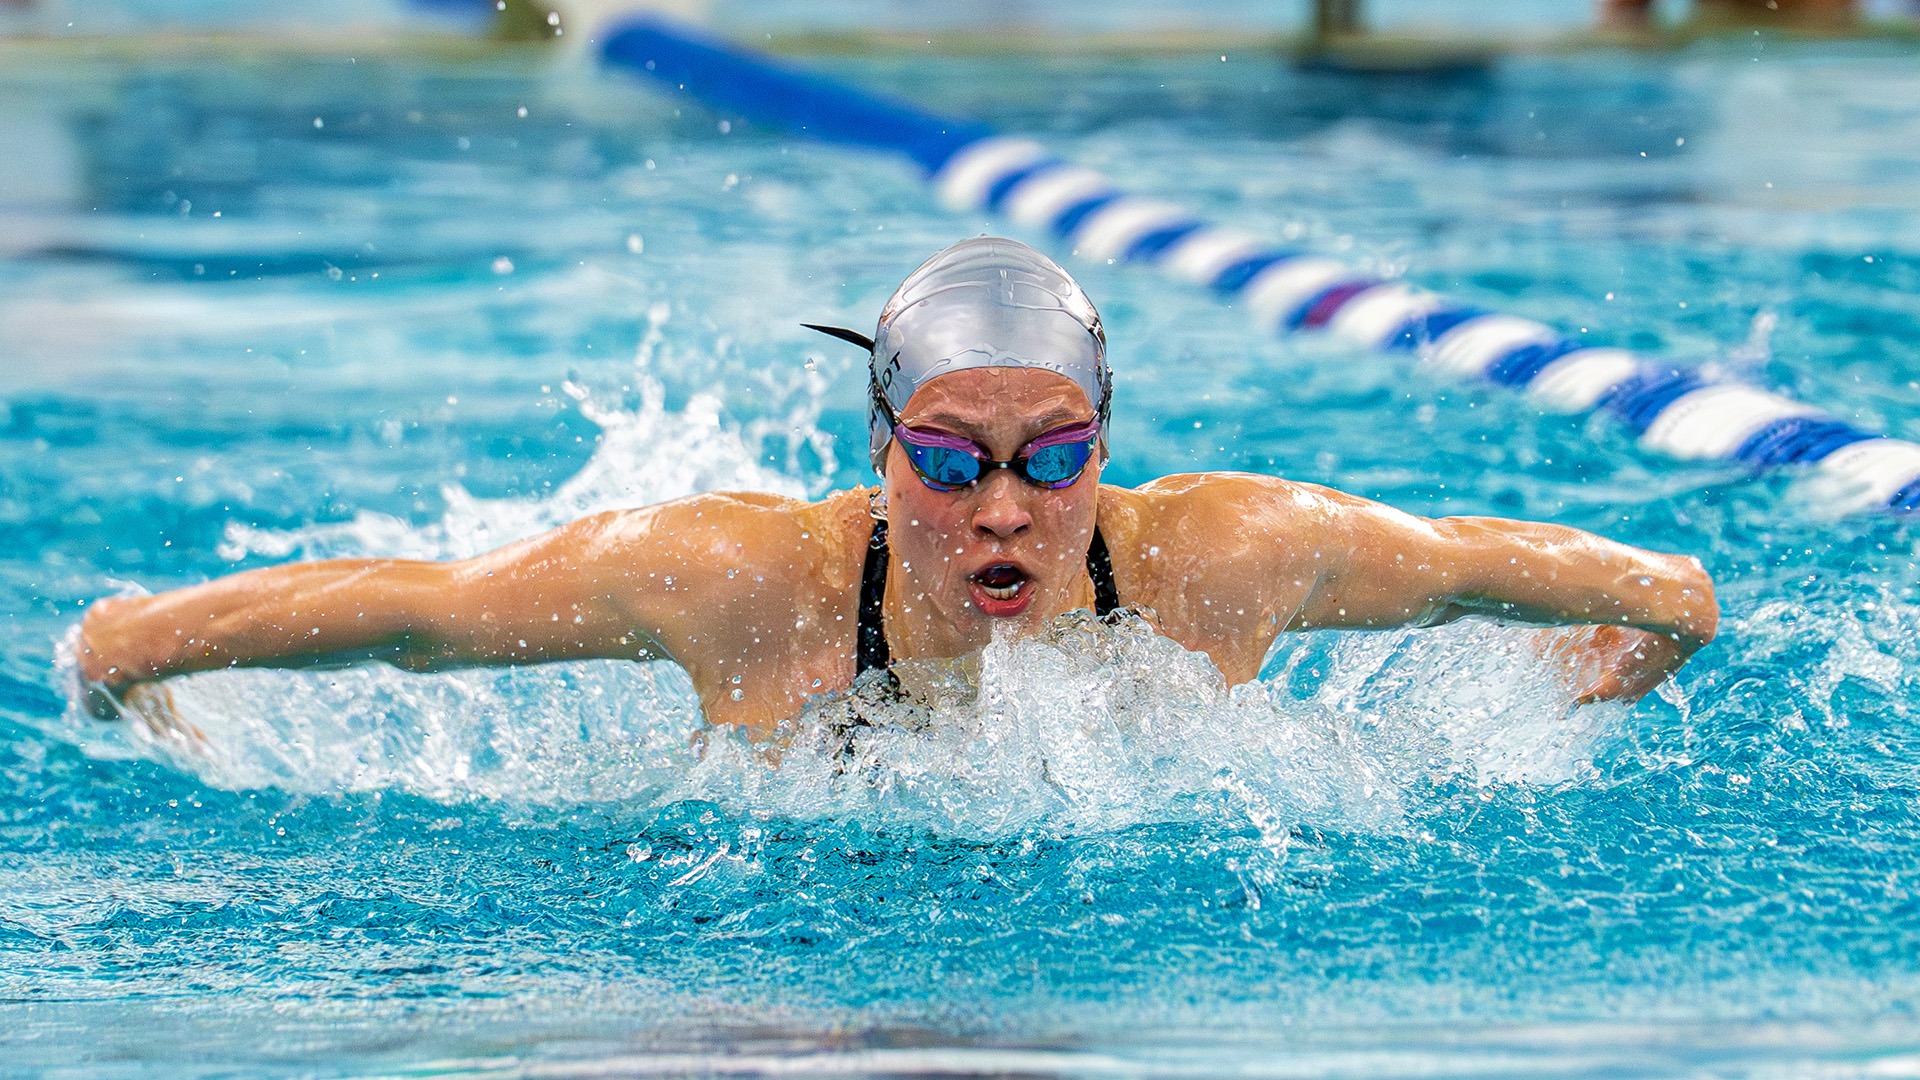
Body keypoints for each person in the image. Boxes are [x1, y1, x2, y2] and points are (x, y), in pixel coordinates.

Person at [76, 238, 1718, 743]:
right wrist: (140, 637)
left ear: (1102, 446)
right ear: (878, 454)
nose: (1001, 508)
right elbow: (425, 616)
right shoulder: (740, 582)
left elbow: (1605, 586)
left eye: (1049, 457)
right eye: (948, 461)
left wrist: (1594, 686)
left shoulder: (1230, 557)